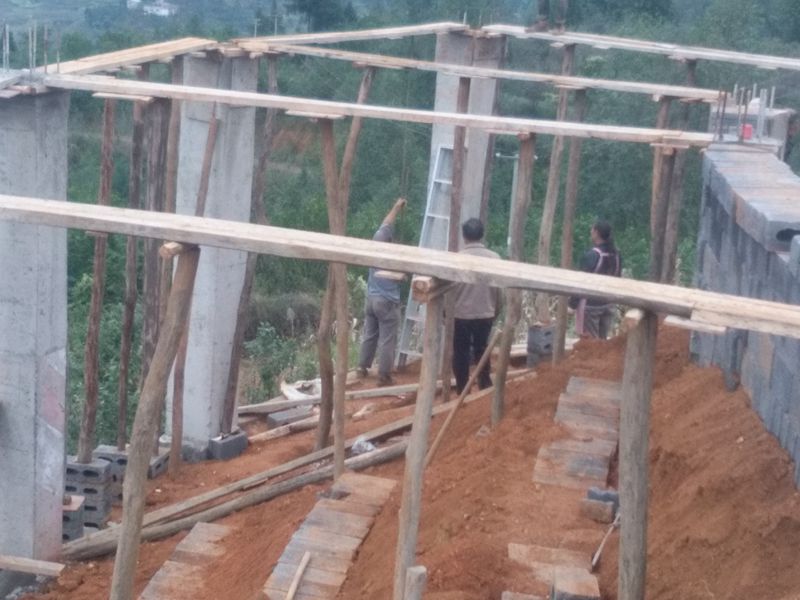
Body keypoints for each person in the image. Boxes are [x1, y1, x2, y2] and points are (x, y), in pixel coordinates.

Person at [357, 197, 407, 386]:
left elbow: (386, 224)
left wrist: (396, 207)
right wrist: (403, 275)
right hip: (386, 301)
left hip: (371, 299)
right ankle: (384, 375)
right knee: (387, 339)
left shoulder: (375, 244)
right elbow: (399, 276)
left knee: (370, 334)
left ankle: (362, 367)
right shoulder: (391, 257)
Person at [452, 218, 502, 395]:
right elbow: (499, 289)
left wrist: (446, 313)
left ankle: (462, 388)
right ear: (482, 235)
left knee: (461, 351)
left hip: (461, 314)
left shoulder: (456, 259)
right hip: (485, 312)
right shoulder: (495, 258)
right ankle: (484, 384)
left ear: (464, 236)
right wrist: (496, 310)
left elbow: (448, 290)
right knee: (482, 348)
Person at [571, 220, 622, 339]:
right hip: (609, 303)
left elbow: (581, 282)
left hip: (591, 306)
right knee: (602, 342)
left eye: (592, 229)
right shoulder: (616, 255)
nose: (590, 232)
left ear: (596, 232)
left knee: (589, 342)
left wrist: (572, 304)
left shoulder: (592, 255)